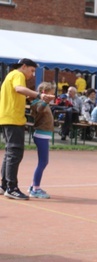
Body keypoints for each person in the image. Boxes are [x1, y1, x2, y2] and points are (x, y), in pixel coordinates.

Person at [2, 58, 54, 200]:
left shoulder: (10, 75)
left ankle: (4, 184)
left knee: (9, 152)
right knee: (15, 152)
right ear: (23, 66)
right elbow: (19, 89)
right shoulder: (17, 75)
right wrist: (39, 95)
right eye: (31, 70)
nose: (32, 74)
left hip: (8, 117)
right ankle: (11, 188)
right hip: (13, 118)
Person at [27, 82, 56, 199]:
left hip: (44, 134)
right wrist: (45, 101)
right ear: (44, 92)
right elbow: (40, 109)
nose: (53, 95)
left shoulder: (41, 102)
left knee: (43, 162)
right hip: (41, 134)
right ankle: (35, 189)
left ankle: (33, 186)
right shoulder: (39, 102)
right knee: (43, 162)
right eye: (51, 93)